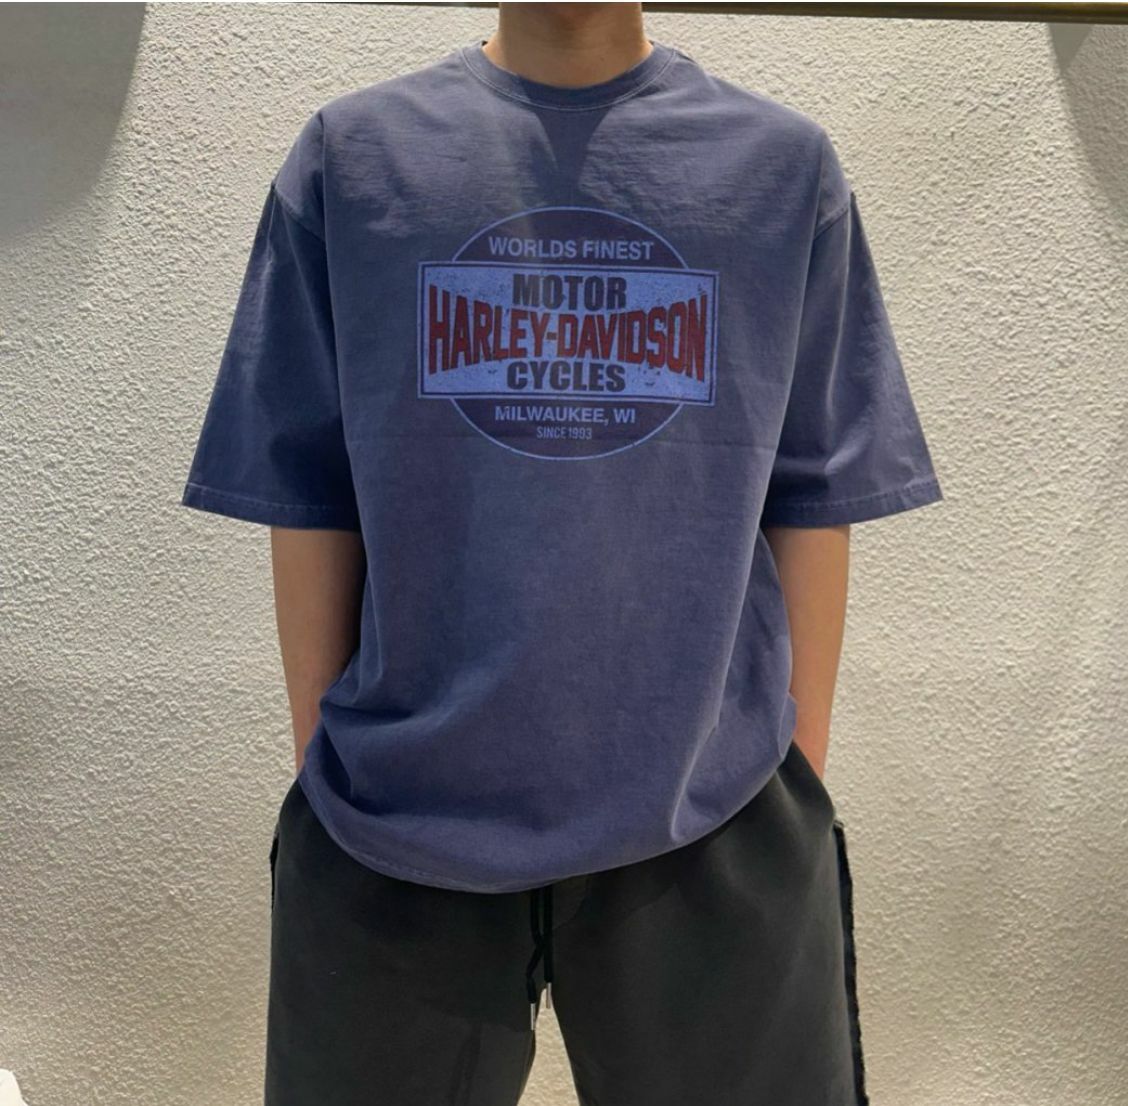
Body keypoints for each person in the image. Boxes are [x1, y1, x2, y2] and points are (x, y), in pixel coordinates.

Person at [181, 4, 943, 1103]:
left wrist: (797, 772)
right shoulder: (354, 161)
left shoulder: (780, 170)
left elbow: (816, 488)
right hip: (395, 822)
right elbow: (304, 487)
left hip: (712, 813)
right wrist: (325, 763)